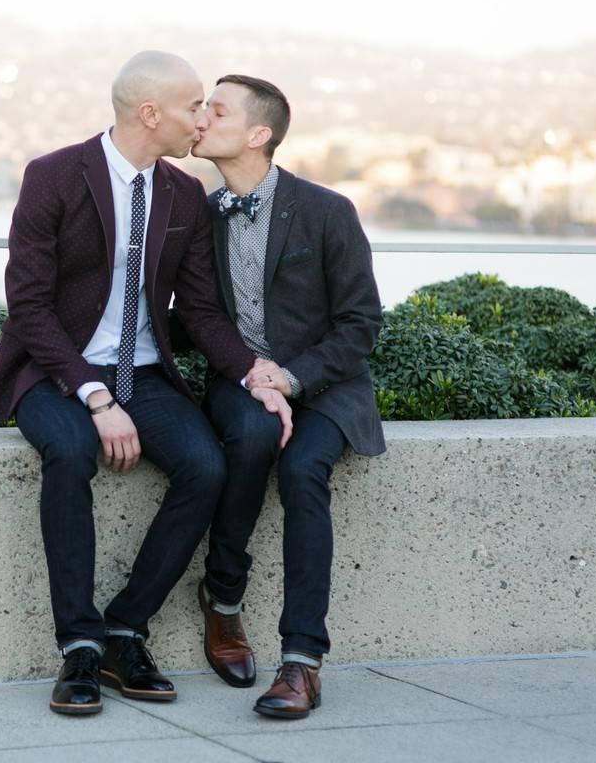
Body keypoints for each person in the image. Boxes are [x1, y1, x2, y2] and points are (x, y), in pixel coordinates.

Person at [0, 52, 292, 716]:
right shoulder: (55, 176)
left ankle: (124, 628)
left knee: (206, 467)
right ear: (150, 114)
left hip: (144, 372)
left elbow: (201, 310)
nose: (201, 119)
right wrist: (93, 397)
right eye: (192, 107)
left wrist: (252, 372)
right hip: (55, 370)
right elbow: (28, 305)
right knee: (69, 453)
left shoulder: (184, 194)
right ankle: (79, 649)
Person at [186, 74, 385, 719]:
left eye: (215, 111)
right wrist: (251, 372)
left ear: (257, 134)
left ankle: (301, 663)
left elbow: (361, 323)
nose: (200, 120)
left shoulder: (327, 211)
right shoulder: (198, 216)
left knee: (302, 471)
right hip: (240, 383)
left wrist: (290, 378)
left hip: (324, 387)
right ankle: (222, 599)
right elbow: (192, 315)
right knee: (251, 434)